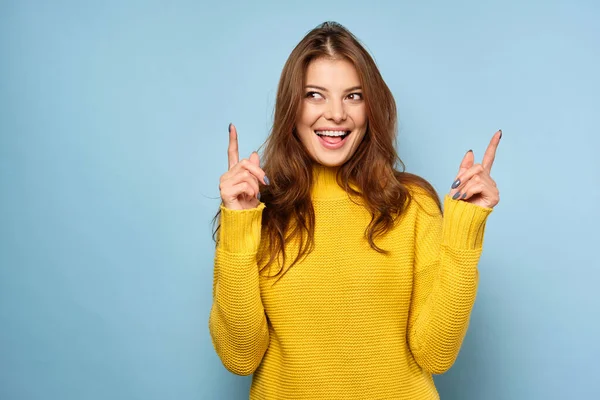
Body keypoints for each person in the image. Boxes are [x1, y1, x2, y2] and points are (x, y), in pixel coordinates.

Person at [209, 21, 500, 400]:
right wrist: (238, 225)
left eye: (353, 96)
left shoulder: (413, 204)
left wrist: (465, 234)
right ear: (291, 108)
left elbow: (435, 355)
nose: (335, 114)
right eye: (315, 95)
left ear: (371, 107)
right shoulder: (258, 210)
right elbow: (240, 358)